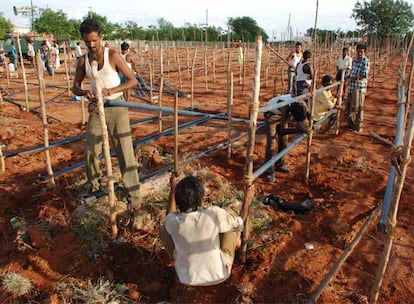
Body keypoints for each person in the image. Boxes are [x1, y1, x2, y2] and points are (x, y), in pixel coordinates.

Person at [71, 18, 141, 212]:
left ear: (100, 37)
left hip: (117, 106)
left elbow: (132, 80)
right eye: (87, 41)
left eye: (94, 40)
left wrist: (112, 90)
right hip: (96, 108)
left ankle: (134, 194)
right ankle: (93, 186)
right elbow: (75, 87)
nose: (92, 45)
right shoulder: (83, 61)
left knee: (124, 150)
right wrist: (86, 92)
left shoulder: (113, 55)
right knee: (92, 149)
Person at [160, 175, 245, 286]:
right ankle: (236, 243)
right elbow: (240, 221)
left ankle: (179, 259)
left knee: (164, 229)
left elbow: (169, 216)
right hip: (219, 274)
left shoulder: (173, 221)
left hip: (186, 278)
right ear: (200, 199)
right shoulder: (213, 214)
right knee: (231, 222)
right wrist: (247, 199)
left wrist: (172, 190)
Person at [263, 94, 291, 182]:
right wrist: (298, 129)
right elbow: (283, 129)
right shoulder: (285, 105)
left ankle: (280, 164)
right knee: (271, 142)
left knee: (284, 141)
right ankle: (269, 171)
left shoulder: (301, 102)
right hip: (271, 114)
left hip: (281, 113)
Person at [346, 44, 370, 132]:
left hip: (359, 87)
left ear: (365, 52)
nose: (359, 53)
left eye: (361, 52)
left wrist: (351, 78)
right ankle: (351, 124)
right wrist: (347, 77)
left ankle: (358, 127)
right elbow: (352, 71)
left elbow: (363, 75)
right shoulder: (355, 60)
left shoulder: (365, 61)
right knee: (350, 105)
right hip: (351, 87)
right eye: (358, 51)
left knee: (358, 107)